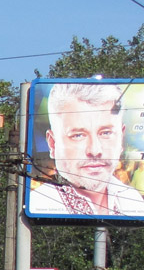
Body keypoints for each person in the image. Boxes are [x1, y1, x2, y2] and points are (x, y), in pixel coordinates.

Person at [28, 82, 144, 217]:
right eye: (78, 135)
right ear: (53, 143)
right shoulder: (41, 203)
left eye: (105, 133)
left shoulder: (132, 201)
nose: (95, 150)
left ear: (121, 137)